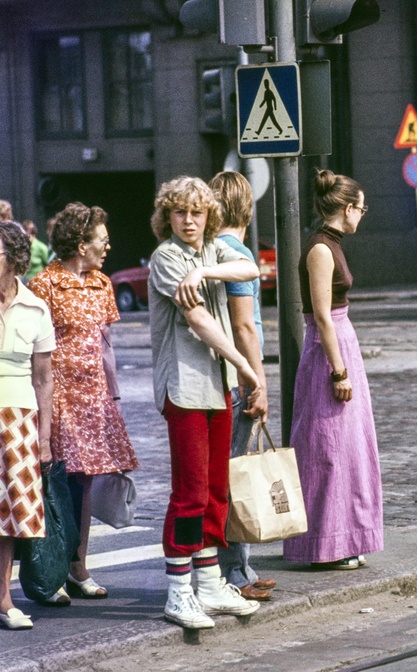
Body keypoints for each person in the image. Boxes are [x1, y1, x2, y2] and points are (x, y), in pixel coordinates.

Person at [148, 176, 263, 629]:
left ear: (209, 215)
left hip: (217, 388)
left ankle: (211, 582)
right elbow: (199, 320)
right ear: (167, 217)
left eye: (197, 212)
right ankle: (179, 591)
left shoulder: (210, 252)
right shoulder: (166, 258)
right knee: (190, 492)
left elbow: (251, 269)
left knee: (217, 489)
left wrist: (206, 271)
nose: (189, 220)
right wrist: (246, 365)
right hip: (185, 387)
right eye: (180, 212)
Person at [26, 202, 138, 603]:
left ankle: (78, 567)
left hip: (93, 397)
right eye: (101, 241)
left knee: (85, 484)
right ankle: (50, 570)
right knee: (55, 485)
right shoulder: (46, 285)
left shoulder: (102, 284)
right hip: (58, 396)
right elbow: (35, 351)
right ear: (79, 243)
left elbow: (104, 345)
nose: (107, 247)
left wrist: (115, 395)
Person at [283, 169, 383, 570]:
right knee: (327, 448)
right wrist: (339, 372)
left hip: (341, 343)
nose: (363, 215)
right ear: (346, 208)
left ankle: (344, 538)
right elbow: (322, 316)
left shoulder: (332, 244)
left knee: (347, 448)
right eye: (361, 208)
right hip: (330, 349)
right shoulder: (321, 249)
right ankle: (324, 543)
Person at [209, 171, 275, 603]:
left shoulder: (215, 250)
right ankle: (234, 571)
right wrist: (260, 382)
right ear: (247, 208)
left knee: (230, 473)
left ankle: (240, 565)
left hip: (221, 378)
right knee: (237, 474)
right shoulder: (236, 254)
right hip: (238, 380)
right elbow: (244, 326)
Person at [0, 220, 55, 630]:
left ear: (15, 259)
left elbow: (43, 378)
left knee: (9, 515)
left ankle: (3, 599)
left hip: (18, 418)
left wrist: (46, 437)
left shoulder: (36, 308)